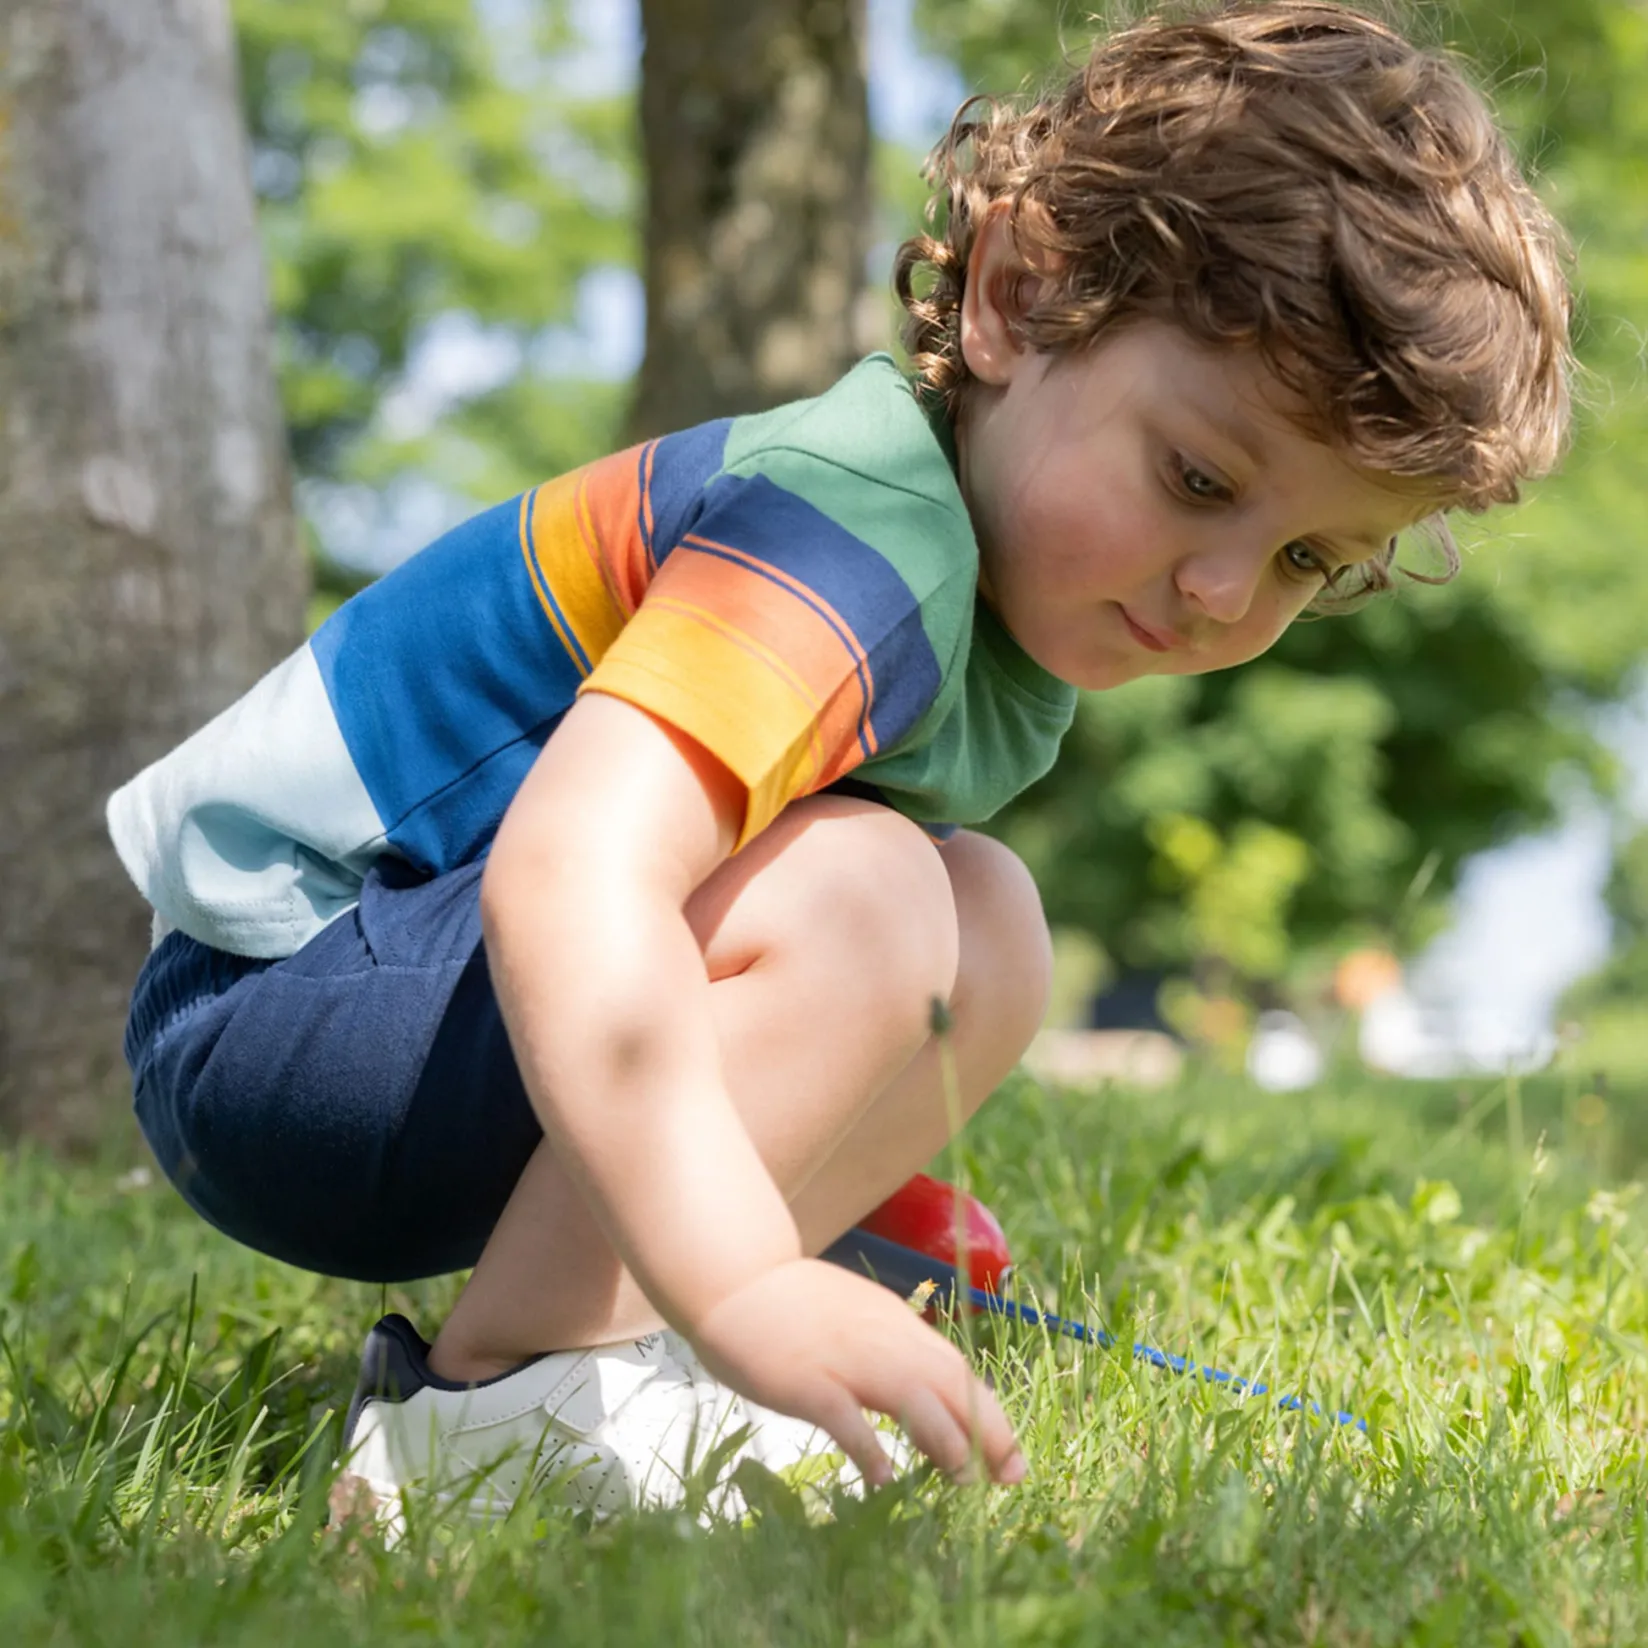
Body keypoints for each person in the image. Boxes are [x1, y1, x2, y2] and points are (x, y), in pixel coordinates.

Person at [107, 0, 1573, 1530]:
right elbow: (574, 871)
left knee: (983, 917)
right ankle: (498, 1417)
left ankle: (616, 1348)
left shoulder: (971, 592)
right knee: (882, 893)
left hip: (417, 1009)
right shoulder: (849, 539)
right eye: (1196, 478)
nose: (1225, 589)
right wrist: (742, 1266)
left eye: (1303, 559)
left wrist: (827, 1196)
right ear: (1015, 295)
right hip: (269, 1014)